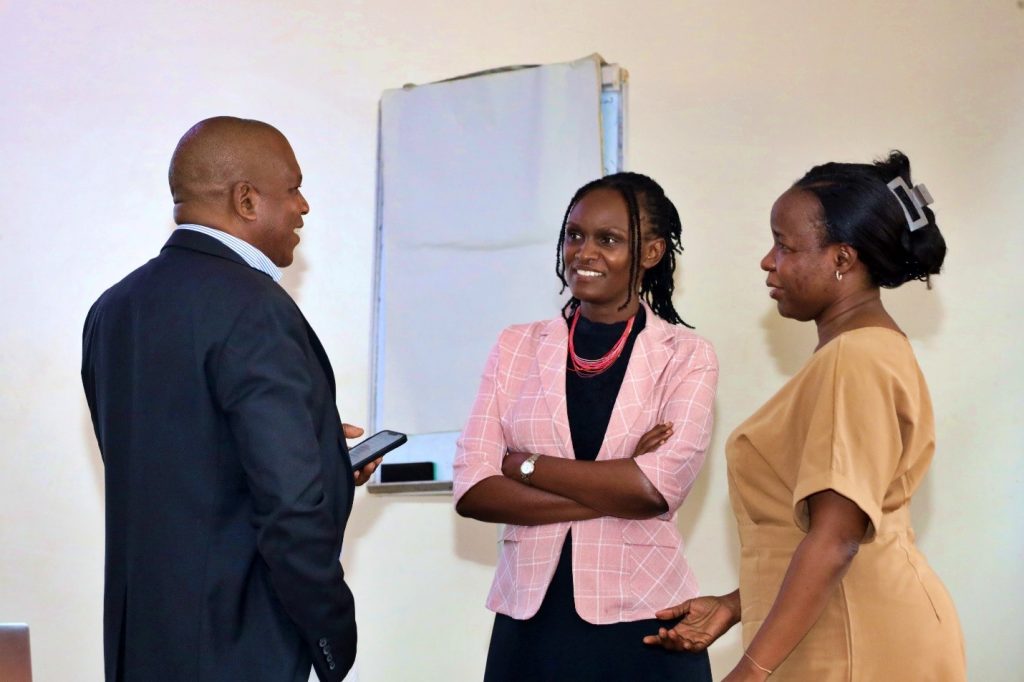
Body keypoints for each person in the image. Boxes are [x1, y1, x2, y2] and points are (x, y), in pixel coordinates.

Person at [644, 152, 966, 680]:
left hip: (859, 642)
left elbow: (836, 538)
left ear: (843, 259)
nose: (768, 262)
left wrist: (747, 673)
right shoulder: (863, 351)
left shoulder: (854, 359)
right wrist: (736, 602)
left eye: (784, 246)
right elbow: (843, 531)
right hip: (844, 625)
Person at [81, 117, 379, 682]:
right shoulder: (256, 308)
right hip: (237, 645)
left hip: (140, 641)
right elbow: (289, 509)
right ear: (246, 199)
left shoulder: (113, 309)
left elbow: (173, 460)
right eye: (292, 188)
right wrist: (333, 631)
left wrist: (315, 446)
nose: (304, 206)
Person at [453, 172, 719, 681]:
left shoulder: (686, 357)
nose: (584, 252)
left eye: (608, 239)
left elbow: (655, 489)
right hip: (530, 623)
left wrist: (522, 465)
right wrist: (615, 479)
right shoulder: (516, 346)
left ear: (652, 252)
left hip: (643, 619)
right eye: (575, 235)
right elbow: (473, 489)